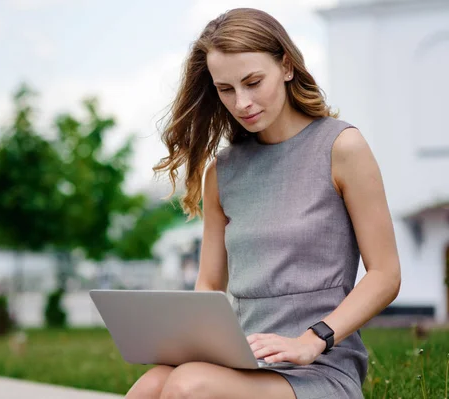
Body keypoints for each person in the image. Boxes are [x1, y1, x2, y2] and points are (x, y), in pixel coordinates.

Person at [127, 7, 402, 399]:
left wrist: (313, 339)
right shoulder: (221, 172)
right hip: (245, 362)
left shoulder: (342, 147)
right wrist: (187, 344)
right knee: (152, 384)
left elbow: (386, 275)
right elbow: (209, 282)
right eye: (226, 89)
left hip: (320, 365)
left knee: (189, 387)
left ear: (287, 67)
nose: (242, 103)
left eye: (253, 82)